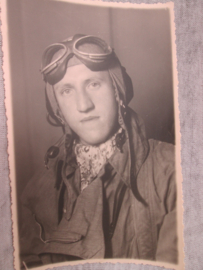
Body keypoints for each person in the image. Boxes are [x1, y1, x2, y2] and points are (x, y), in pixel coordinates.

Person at [19, 34, 177, 269]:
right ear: (57, 108)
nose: (84, 105)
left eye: (94, 84)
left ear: (118, 91)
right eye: (66, 91)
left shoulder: (173, 172)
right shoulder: (36, 189)